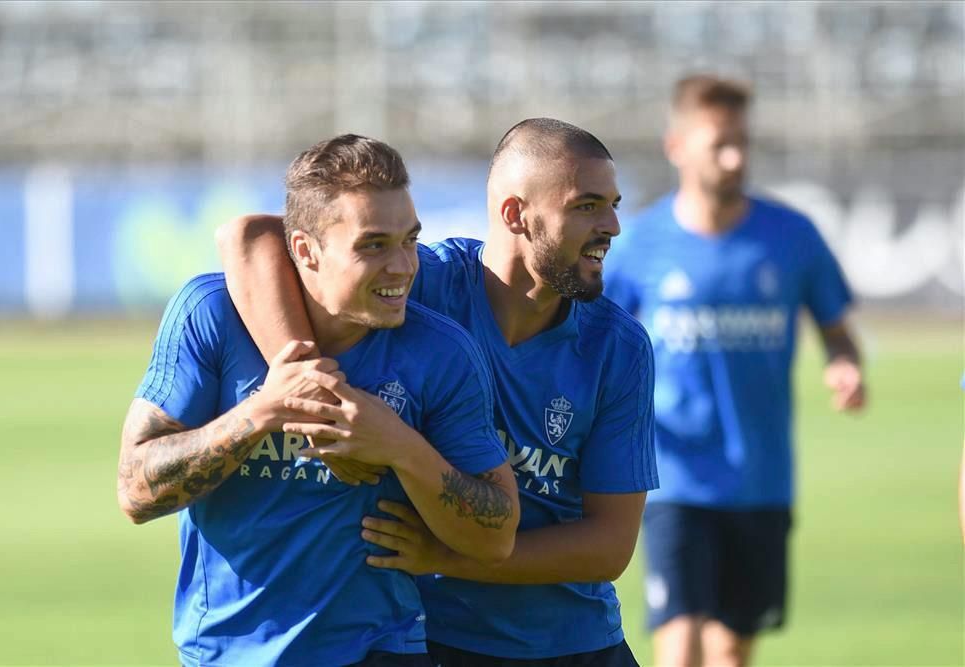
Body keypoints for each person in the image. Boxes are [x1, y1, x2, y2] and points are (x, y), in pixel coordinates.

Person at [217, 118, 658, 665]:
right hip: (431, 639)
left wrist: (445, 554)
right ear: (515, 215)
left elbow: (609, 547)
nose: (613, 225)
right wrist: (314, 400)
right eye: (588, 205)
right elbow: (249, 235)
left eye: (613, 204)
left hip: (574, 643)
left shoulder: (619, 346)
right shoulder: (419, 283)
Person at [116, 135, 519, 667]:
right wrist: (263, 412)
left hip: (381, 650)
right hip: (227, 654)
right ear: (306, 250)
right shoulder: (210, 314)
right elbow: (136, 490)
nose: (402, 267)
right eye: (373, 245)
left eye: (410, 240)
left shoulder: (441, 351)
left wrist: (399, 446)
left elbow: (496, 535)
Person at [602, 74, 867, 667]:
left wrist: (845, 368)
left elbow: (836, 328)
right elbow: (593, 339)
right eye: (719, 143)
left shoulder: (791, 236)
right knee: (680, 640)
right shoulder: (640, 243)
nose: (735, 157)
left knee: (730, 651)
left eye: (742, 142)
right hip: (673, 478)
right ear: (677, 146)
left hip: (761, 476)